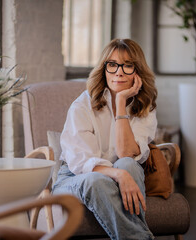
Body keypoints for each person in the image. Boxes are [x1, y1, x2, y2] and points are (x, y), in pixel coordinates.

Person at [52, 39, 157, 240]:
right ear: (104, 69)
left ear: (138, 71)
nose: (119, 72)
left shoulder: (145, 107)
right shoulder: (83, 104)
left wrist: (120, 102)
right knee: (97, 179)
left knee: (129, 164)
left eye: (127, 65)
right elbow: (81, 162)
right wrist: (119, 175)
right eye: (112, 65)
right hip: (74, 178)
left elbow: (127, 153)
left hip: (115, 175)